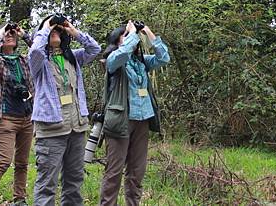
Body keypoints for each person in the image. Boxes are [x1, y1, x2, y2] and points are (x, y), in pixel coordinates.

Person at [28, 15, 101, 206]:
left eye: (57, 31)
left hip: (77, 127)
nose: (55, 33)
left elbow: (95, 49)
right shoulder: (40, 62)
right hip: (52, 128)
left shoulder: (72, 57)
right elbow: (35, 49)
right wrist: (46, 26)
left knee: (74, 181)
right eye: (52, 31)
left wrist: (73, 30)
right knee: (47, 184)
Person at [99, 21, 170, 206]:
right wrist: (130, 32)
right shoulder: (113, 60)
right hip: (120, 121)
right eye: (126, 35)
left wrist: (148, 32)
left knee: (137, 171)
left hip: (142, 120)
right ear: (117, 41)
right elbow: (122, 53)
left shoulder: (142, 62)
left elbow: (164, 58)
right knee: (114, 171)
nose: (133, 38)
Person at [0, 23, 35, 206]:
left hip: (26, 117)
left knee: (22, 163)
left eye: (13, 34)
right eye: (6, 34)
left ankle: (19, 198)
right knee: (4, 160)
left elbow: (40, 52)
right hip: (7, 118)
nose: (10, 36)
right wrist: (1, 33)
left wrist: (24, 34)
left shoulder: (24, 60)